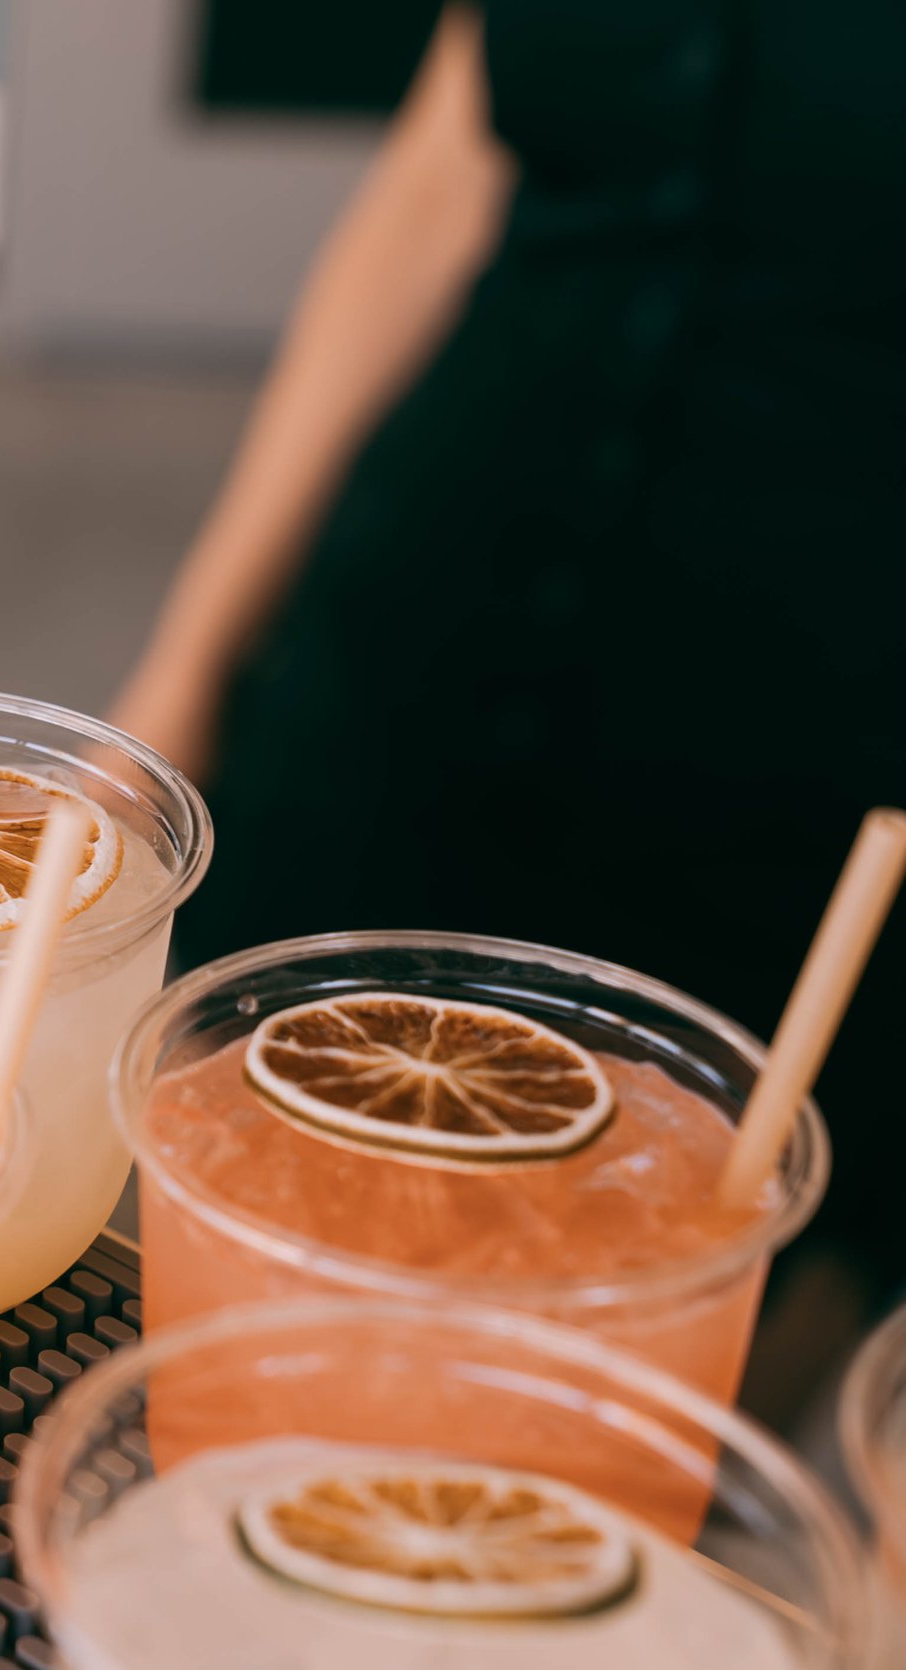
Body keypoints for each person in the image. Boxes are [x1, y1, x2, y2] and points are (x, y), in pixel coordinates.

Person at [110, 1, 905, 1407]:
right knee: (232, 1310)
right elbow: (445, 172)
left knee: (607, 1427)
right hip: (415, 649)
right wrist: (192, 657)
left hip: (809, 782)